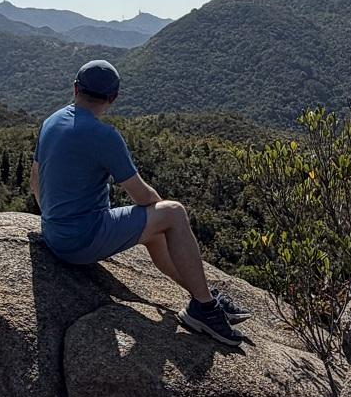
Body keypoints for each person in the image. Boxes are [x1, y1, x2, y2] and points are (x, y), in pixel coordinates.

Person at [30, 59, 248, 347]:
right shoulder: (105, 136)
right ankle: (205, 310)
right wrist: (159, 211)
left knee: (155, 232)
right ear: (113, 98)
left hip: (54, 234)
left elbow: (35, 179)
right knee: (173, 213)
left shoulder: (51, 121)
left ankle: (203, 296)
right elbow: (142, 196)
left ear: (75, 88)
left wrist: (55, 219)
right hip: (81, 240)